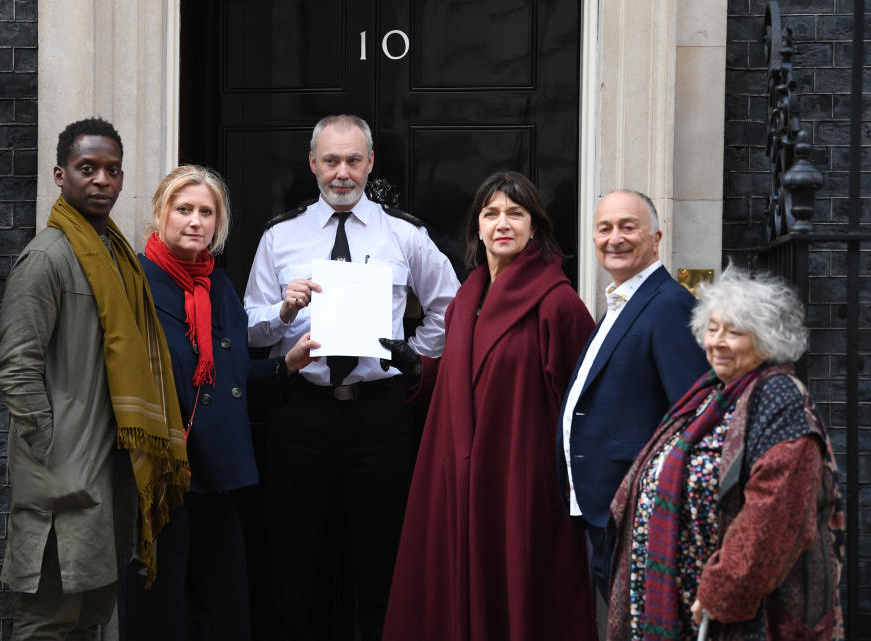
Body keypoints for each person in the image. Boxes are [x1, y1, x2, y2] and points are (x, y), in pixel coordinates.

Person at [243, 114, 460, 640]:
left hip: (378, 414)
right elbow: (250, 329)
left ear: (370, 164)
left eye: (353, 160)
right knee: (293, 558)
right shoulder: (280, 236)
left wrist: (406, 356)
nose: (343, 173)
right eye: (332, 160)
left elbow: (449, 306)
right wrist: (285, 313)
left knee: (381, 556)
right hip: (302, 414)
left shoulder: (403, 233)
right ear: (312, 163)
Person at [380, 171, 598, 640]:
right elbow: (468, 379)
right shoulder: (464, 300)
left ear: (534, 227)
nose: (503, 223)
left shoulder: (558, 304)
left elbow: (584, 403)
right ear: (477, 227)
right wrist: (418, 368)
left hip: (519, 487)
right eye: (491, 213)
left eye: (515, 214)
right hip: (455, 481)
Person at [0, 118, 189, 639]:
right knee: (49, 620)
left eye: (112, 170)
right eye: (88, 169)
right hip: (64, 480)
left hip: (107, 475)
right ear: (61, 175)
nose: (102, 180)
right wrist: (52, 448)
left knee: (93, 618)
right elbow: (16, 367)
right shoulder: (46, 258)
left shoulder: (115, 256)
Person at [117, 165, 319, 640]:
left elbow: (228, 382)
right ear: (160, 214)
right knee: (160, 611)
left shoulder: (220, 287)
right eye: (183, 209)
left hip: (219, 476)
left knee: (223, 609)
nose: (195, 221)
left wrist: (286, 364)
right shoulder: (133, 282)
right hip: (163, 476)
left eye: (206, 212)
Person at [607, 268, 844, 641]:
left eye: (734, 332)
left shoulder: (781, 398)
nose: (717, 341)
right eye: (713, 328)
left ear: (766, 339)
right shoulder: (709, 393)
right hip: (678, 603)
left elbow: (775, 515)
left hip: (728, 613)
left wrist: (722, 590)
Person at [556, 190, 707, 596]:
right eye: (604, 229)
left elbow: (692, 417)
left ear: (656, 237)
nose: (614, 238)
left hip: (640, 510)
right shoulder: (623, 304)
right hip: (606, 511)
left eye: (628, 227)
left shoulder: (670, 305)